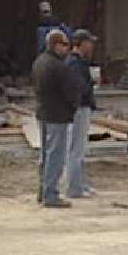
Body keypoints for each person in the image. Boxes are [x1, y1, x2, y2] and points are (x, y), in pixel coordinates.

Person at [32, 28, 79, 208]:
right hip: (57, 115)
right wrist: (73, 106)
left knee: (45, 155)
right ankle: (51, 194)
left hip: (43, 113)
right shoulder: (58, 66)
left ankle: (42, 191)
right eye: (65, 44)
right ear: (56, 45)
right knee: (55, 156)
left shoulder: (39, 62)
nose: (67, 49)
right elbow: (68, 91)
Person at [65, 29, 99, 199]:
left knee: (80, 148)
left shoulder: (78, 63)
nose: (91, 46)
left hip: (81, 107)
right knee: (76, 149)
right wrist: (91, 84)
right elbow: (79, 86)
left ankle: (80, 183)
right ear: (82, 43)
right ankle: (74, 187)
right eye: (89, 42)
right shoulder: (75, 64)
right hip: (79, 108)